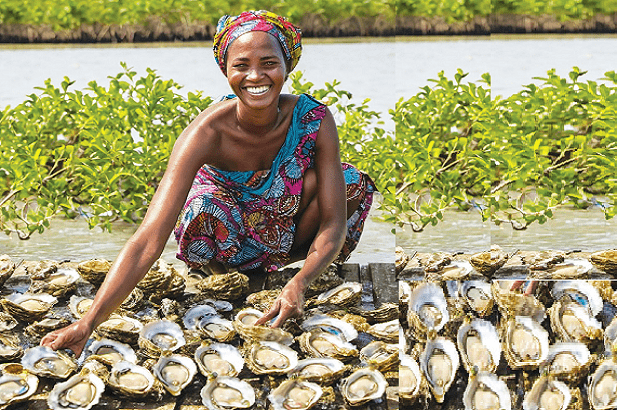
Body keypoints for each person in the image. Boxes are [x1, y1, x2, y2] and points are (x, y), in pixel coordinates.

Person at [41, 10, 375, 357]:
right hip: (223, 239)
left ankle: (284, 273)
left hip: (282, 234)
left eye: (269, 63)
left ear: (287, 65)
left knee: (350, 181)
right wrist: (88, 322)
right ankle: (225, 275)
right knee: (204, 205)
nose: (256, 76)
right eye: (241, 65)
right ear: (225, 71)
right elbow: (148, 238)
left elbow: (334, 221)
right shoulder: (206, 132)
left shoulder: (314, 119)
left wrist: (300, 282)